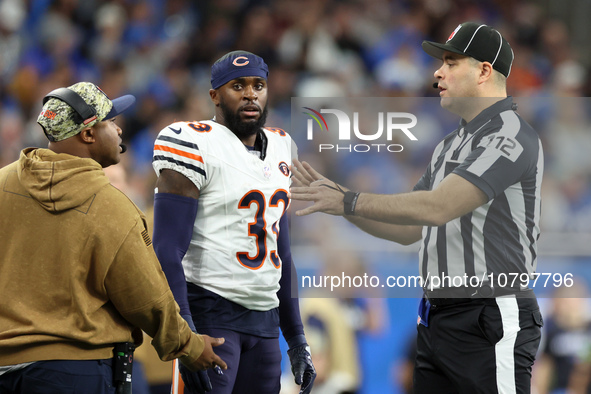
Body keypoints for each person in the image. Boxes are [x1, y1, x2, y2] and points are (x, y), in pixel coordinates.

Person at [290, 22, 544, 394]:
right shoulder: (448, 145)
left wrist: (348, 199)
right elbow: (411, 229)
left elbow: (438, 207)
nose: (438, 72)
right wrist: (341, 205)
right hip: (437, 318)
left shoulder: (510, 133)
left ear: (485, 71)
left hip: (489, 313)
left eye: (451, 62)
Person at [0, 82, 227, 394]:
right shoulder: (111, 207)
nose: (119, 131)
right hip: (76, 371)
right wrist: (190, 346)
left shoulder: (3, 185)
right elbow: (147, 299)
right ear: (88, 134)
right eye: (111, 122)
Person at [151, 51, 316, 394]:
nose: (250, 94)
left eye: (258, 85)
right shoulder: (192, 141)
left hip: (266, 322)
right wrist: (186, 333)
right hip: (211, 313)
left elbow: (281, 252)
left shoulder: (283, 147)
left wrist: (297, 339)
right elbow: (167, 249)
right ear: (214, 96)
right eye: (237, 85)